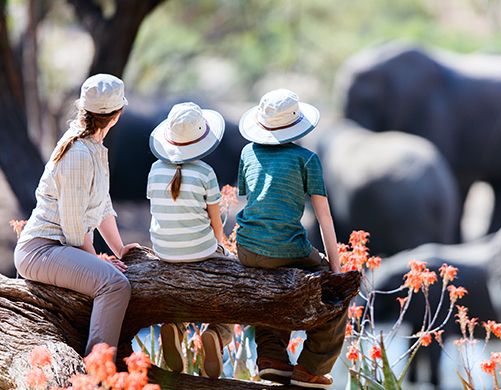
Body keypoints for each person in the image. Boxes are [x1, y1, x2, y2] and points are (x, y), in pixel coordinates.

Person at [14, 74, 139, 357]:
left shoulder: (93, 147)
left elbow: (101, 203)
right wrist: (94, 257)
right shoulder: (79, 152)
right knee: (114, 285)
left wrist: (119, 249)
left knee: (114, 276)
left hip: (58, 249)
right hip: (40, 250)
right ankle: (96, 374)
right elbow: (74, 225)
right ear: (117, 115)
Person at [236, 89, 343, 389]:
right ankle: (311, 368)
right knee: (334, 294)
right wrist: (334, 269)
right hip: (288, 249)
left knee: (267, 286)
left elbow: (250, 200)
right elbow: (324, 218)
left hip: (246, 249)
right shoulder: (307, 159)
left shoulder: (247, 152)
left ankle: (271, 358)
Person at [147, 102, 234, 377]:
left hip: (163, 250)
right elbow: (215, 219)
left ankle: (177, 325)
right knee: (230, 281)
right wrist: (220, 245)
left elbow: (157, 210)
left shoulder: (154, 169)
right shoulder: (205, 172)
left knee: (180, 287)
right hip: (201, 249)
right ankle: (218, 333)